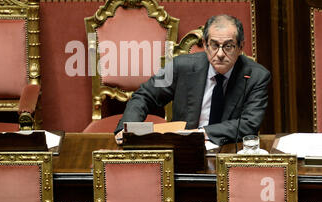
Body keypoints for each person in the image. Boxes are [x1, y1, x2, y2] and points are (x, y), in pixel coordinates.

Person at [114, 14, 271, 146]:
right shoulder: (181, 66)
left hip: (228, 149)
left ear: (240, 47)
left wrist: (200, 134)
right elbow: (145, 95)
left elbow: (249, 124)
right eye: (214, 45)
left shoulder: (256, 77)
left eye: (228, 46)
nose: (221, 54)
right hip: (183, 151)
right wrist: (127, 128)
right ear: (205, 44)